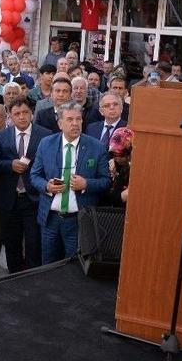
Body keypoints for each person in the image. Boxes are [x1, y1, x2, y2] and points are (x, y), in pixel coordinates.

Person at [30, 102, 111, 264]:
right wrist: (46, 186)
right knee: (48, 265)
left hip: (79, 220)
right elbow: (34, 175)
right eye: (70, 119)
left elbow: (106, 182)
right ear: (60, 123)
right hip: (50, 219)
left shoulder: (97, 147)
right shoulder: (46, 143)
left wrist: (86, 184)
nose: (75, 123)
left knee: (73, 267)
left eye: (78, 119)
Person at [0, 98, 50, 273]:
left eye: (25, 112)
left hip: (34, 198)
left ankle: (33, 279)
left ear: (32, 113)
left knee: (34, 243)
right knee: (12, 243)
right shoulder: (2, 136)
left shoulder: (45, 135)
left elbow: (50, 165)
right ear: (10, 116)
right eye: (17, 114)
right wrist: (10, 165)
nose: (22, 117)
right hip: (10, 199)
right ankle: (14, 278)